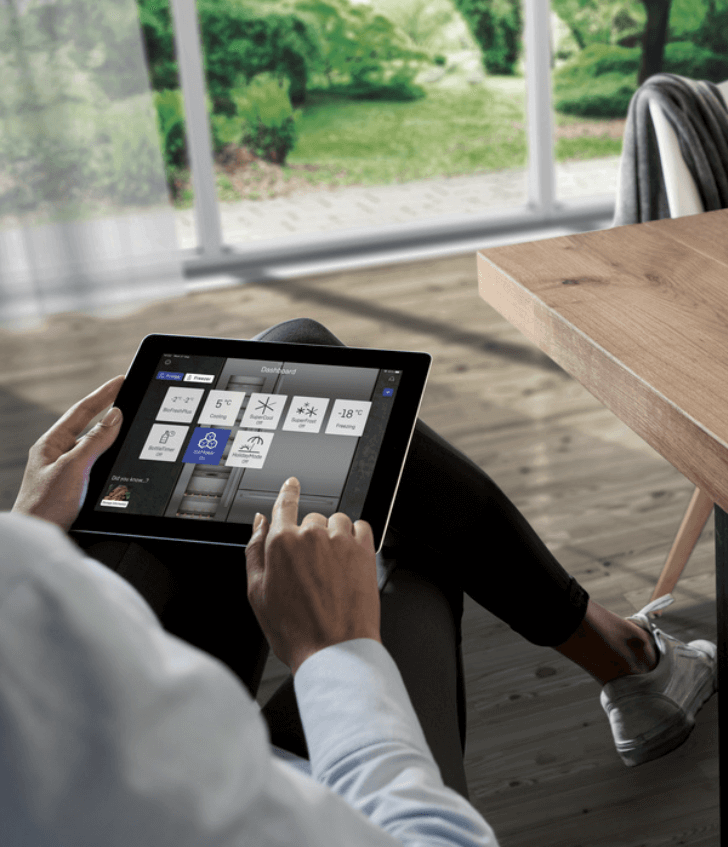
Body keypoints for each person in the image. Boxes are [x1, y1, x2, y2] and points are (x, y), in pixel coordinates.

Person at [1, 318, 717, 847]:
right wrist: (336, 653)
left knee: (295, 354)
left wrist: (30, 533)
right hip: (199, 798)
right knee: (406, 527)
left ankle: (626, 660)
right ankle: (627, 661)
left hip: (77, 708)